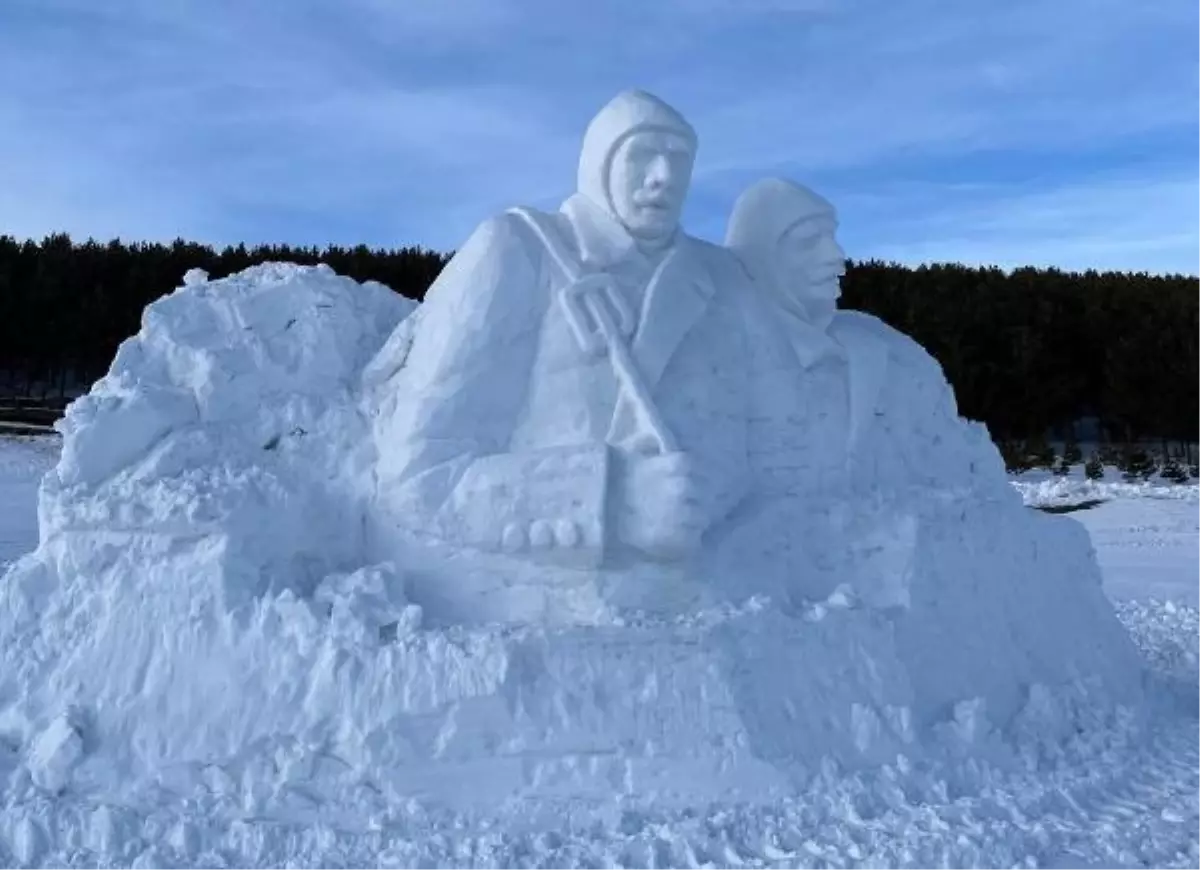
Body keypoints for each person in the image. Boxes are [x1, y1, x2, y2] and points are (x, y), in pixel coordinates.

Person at [368, 90, 757, 624]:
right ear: (601, 164)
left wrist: (700, 497)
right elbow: (418, 474)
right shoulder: (519, 250)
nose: (665, 175)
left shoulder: (709, 282)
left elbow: (736, 437)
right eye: (643, 153)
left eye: (680, 159)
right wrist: (614, 501)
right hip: (525, 629)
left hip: (695, 627)